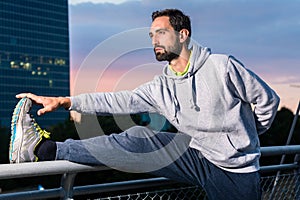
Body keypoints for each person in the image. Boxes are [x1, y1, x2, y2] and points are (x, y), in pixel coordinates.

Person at [9, 9, 280, 200]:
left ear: (183, 34)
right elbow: (116, 100)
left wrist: (245, 138)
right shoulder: (161, 86)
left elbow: (268, 101)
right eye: (151, 35)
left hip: (235, 170)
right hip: (196, 157)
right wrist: (66, 101)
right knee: (138, 137)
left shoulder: (222, 66)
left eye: (161, 33)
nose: (154, 41)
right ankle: (43, 149)